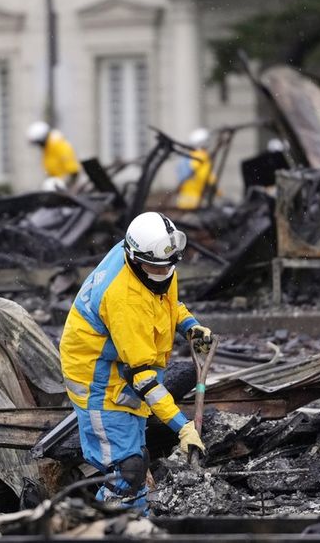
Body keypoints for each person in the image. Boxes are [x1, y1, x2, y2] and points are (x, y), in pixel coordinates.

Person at [59, 212, 212, 510]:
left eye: (168, 266)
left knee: (137, 460)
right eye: (155, 268)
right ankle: (107, 528)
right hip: (98, 381)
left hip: (122, 366)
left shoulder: (158, 260)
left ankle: (136, 525)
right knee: (126, 472)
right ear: (134, 257)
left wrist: (189, 326)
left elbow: (166, 303)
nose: (164, 273)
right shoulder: (124, 300)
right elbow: (143, 377)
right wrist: (182, 427)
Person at [26, 121, 80, 187]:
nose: (39, 146)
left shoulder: (60, 146)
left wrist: (65, 187)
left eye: (39, 143)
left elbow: (73, 172)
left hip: (66, 188)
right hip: (57, 187)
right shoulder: (48, 150)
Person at [175, 128, 216, 210]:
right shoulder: (201, 157)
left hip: (184, 200)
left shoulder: (186, 157)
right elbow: (206, 177)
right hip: (197, 201)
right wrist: (218, 192)